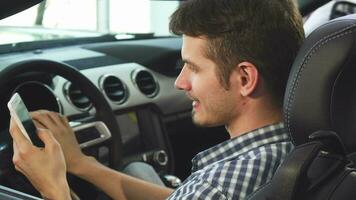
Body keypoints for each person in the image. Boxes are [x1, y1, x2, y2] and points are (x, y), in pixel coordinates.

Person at [9, 0, 304, 199]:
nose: (180, 82)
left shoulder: (216, 185)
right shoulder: (299, 144)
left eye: (193, 67)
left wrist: (53, 185)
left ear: (244, 79)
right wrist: (81, 165)